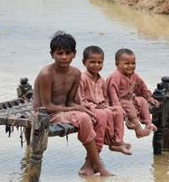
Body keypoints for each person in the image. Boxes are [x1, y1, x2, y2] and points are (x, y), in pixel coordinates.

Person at [32, 31, 111, 176]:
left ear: (74, 54)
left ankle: (89, 163)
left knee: (98, 115)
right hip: (46, 114)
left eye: (67, 53)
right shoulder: (46, 74)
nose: (64, 57)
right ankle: (99, 166)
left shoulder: (75, 73)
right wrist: (77, 109)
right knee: (83, 118)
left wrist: (81, 107)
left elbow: (69, 101)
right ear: (52, 54)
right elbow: (47, 106)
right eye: (59, 53)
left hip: (64, 111)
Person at [77, 45, 132, 155]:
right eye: (92, 62)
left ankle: (117, 141)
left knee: (118, 110)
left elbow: (105, 97)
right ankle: (104, 143)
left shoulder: (101, 80)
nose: (96, 65)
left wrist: (106, 105)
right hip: (88, 109)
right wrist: (95, 106)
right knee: (105, 113)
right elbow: (80, 100)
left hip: (101, 107)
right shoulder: (82, 78)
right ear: (84, 62)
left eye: (99, 62)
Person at [106, 48, 159, 138]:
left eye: (133, 63)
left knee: (142, 100)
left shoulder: (134, 75)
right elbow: (113, 94)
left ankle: (148, 123)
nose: (131, 66)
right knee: (128, 105)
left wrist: (149, 98)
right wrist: (118, 108)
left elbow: (142, 87)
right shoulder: (115, 76)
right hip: (117, 102)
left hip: (129, 99)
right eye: (127, 64)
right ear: (117, 64)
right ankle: (138, 129)